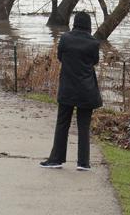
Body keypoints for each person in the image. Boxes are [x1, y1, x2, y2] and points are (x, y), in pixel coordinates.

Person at [40, 11, 102, 171]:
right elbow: (94, 61)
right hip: (86, 90)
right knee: (83, 126)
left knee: (62, 124)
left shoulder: (65, 38)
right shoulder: (94, 43)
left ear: (75, 23)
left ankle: (56, 159)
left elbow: (60, 57)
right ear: (89, 26)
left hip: (68, 87)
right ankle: (83, 162)